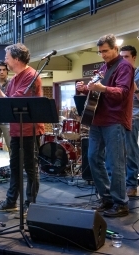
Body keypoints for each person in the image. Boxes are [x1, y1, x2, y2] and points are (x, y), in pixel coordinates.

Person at [76, 34, 134, 217]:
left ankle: (121, 203)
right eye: (100, 52)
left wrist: (102, 88)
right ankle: (107, 197)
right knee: (93, 158)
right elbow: (95, 91)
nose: (103, 55)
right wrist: (84, 88)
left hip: (114, 120)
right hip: (97, 119)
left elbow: (122, 93)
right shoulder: (103, 67)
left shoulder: (124, 66)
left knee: (116, 162)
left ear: (115, 48)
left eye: (106, 51)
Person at [0, 43, 44, 213]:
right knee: (15, 167)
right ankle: (12, 201)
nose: (5, 60)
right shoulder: (14, 79)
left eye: (7, 57)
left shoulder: (31, 76)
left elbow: (17, 102)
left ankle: (31, 204)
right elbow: (10, 102)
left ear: (17, 59)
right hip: (16, 129)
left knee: (30, 167)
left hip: (29, 129)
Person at [119, 45, 139, 197]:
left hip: (134, 115)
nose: (123, 60)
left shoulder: (137, 73)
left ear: (134, 58)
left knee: (130, 150)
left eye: (126, 57)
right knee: (115, 152)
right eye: (121, 57)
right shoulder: (118, 72)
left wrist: (133, 84)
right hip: (118, 116)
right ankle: (117, 183)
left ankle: (131, 184)